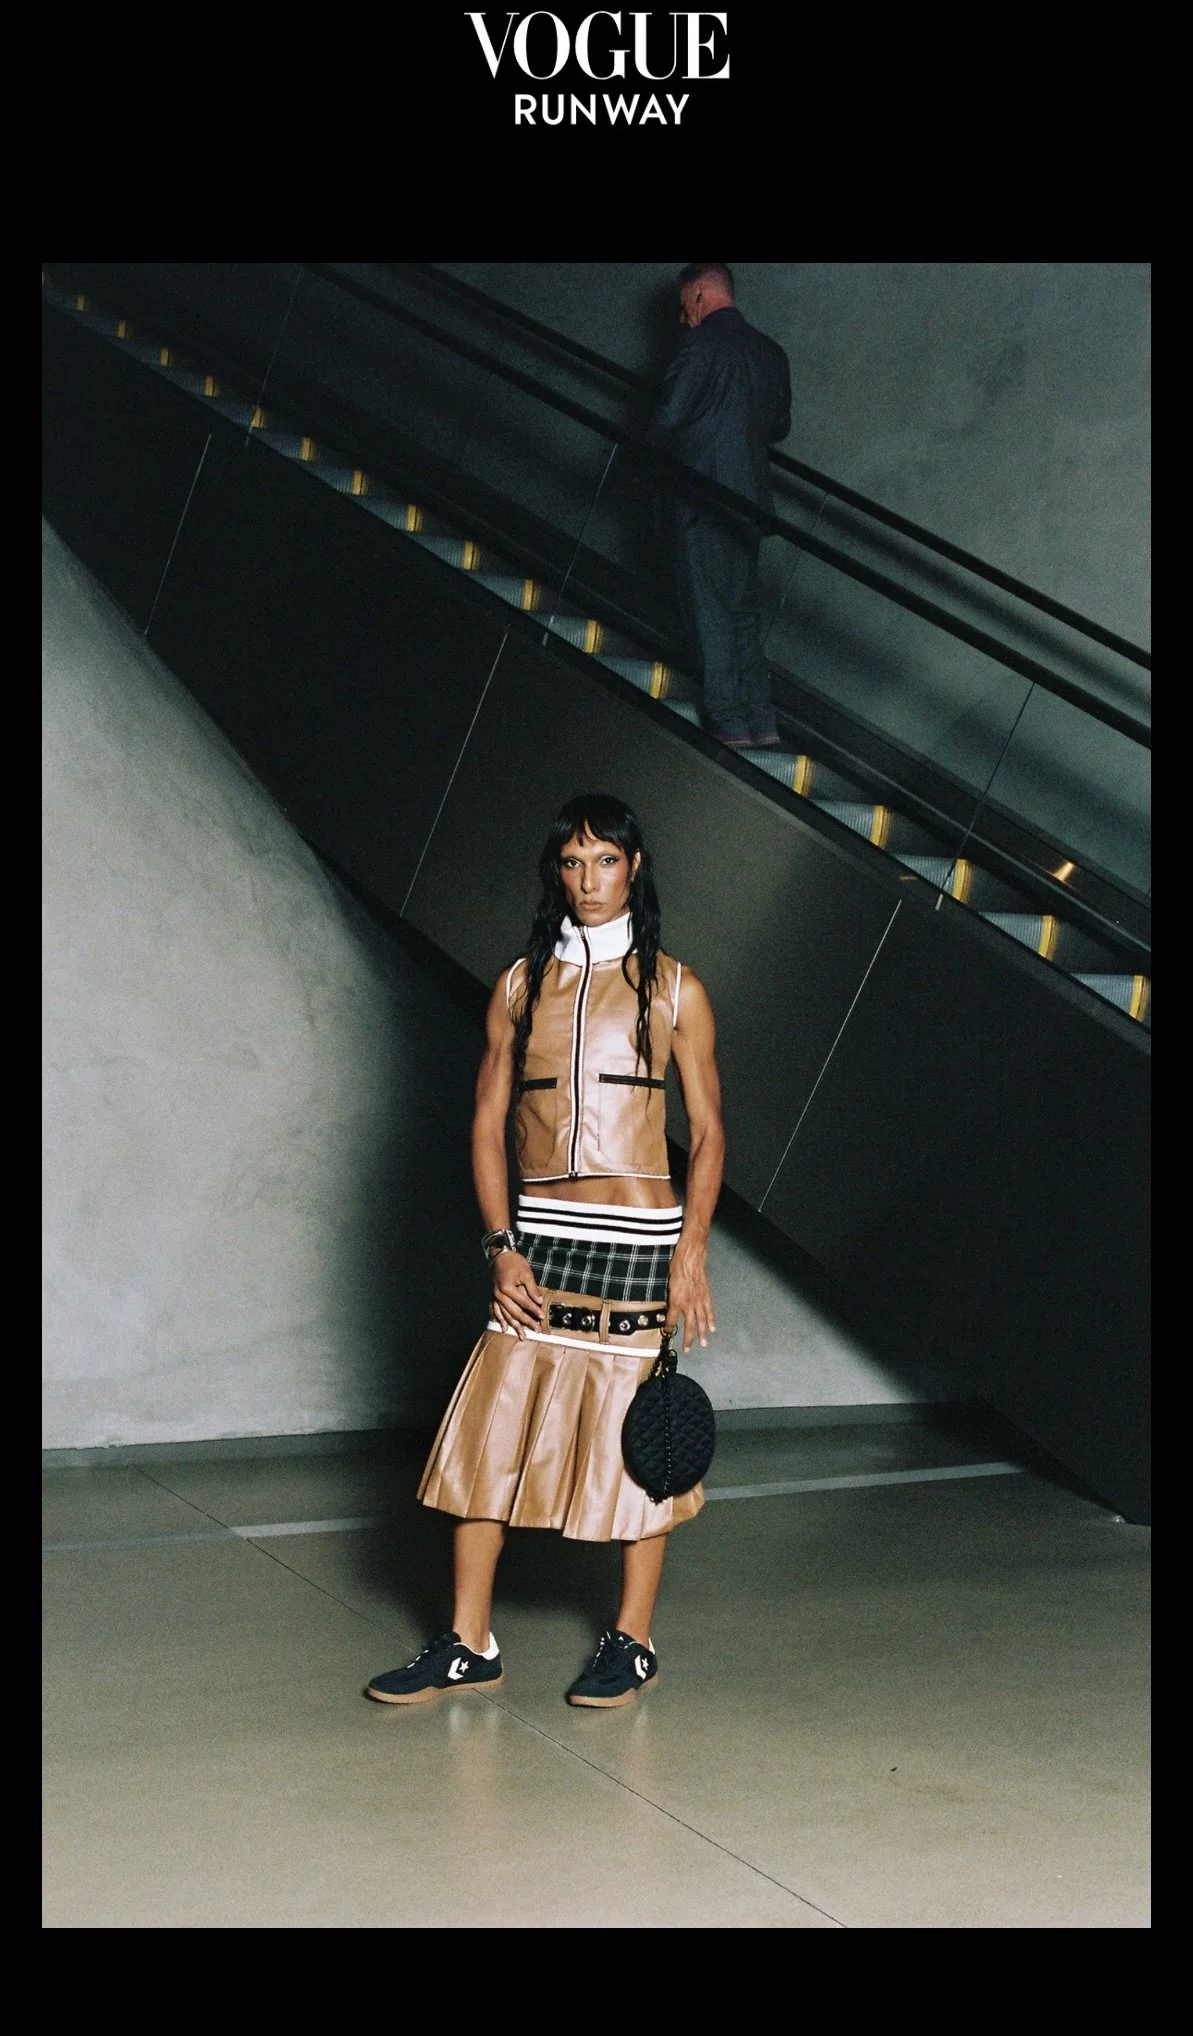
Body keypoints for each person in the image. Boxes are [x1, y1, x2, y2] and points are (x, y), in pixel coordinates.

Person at [366, 793, 725, 1709]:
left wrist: (690, 1253)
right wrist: (500, 1246)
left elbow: (711, 1134)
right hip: (538, 1241)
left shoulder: (674, 986)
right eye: (571, 863)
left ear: (633, 869)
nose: (588, 879)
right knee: (488, 1435)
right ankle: (465, 1642)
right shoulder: (520, 985)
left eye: (605, 861)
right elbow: (486, 1126)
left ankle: (632, 1641)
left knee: (644, 1442)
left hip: (638, 1241)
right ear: (553, 874)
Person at [646, 262, 792, 750]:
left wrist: (642, 458)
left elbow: (667, 417)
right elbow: (778, 426)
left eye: (686, 304)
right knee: (741, 617)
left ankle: (729, 729)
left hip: (701, 501)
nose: (683, 317)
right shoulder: (771, 353)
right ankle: (763, 726)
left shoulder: (699, 345)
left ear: (702, 295)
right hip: (748, 505)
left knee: (710, 614)